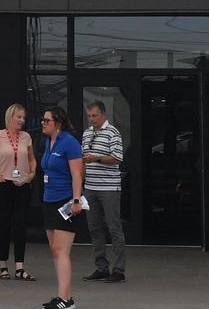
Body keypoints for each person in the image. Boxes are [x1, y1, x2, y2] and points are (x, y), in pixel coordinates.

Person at [0, 103, 37, 281]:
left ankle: (20, 266)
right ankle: (3, 265)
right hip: (3, 184)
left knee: (20, 225)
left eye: (24, 117)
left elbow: (32, 159)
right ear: (10, 117)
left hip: (22, 185)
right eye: (19, 117)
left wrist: (32, 174)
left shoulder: (26, 137)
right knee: (4, 225)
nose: (22, 120)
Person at [39, 106, 84, 309]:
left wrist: (76, 200)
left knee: (61, 250)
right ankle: (65, 296)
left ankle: (64, 300)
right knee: (55, 251)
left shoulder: (70, 143)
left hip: (66, 201)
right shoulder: (48, 142)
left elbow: (77, 174)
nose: (42, 123)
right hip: (49, 200)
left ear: (57, 123)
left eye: (46, 120)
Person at [81, 100, 126, 283]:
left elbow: (117, 158)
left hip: (109, 188)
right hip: (90, 188)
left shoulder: (113, 133)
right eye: (89, 116)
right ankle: (101, 267)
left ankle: (119, 270)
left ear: (104, 114)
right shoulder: (86, 134)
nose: (91, 119)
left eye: (95, 116)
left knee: (114, 227)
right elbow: (83, 160)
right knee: (94, 228)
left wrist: (97, 159)